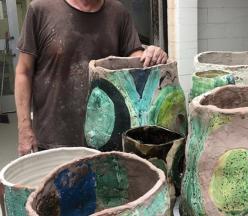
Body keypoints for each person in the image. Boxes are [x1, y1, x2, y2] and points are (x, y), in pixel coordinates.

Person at [15, 0, 168, 156]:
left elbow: (135, 61)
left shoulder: (118, 13)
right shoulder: (40, 9)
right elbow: (23, 72)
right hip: (52, 141)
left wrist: (152, 55)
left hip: (104, 142)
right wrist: (24, 128)